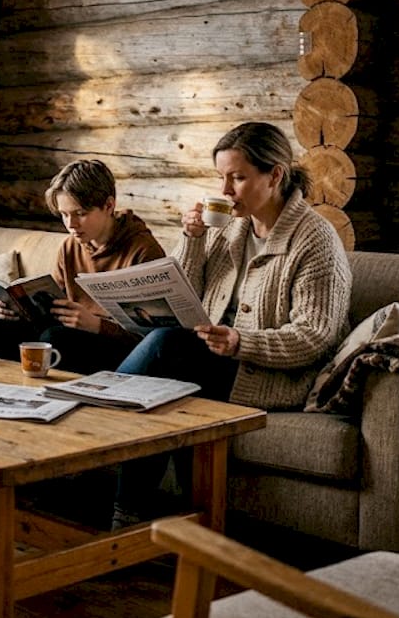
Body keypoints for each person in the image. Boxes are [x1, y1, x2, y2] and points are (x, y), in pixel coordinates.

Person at [110, 121, 352, 530]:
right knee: (169, 370)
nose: (224, 191)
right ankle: (148, 514)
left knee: (167, 347)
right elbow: (183, 294)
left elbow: (314, 336)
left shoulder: (315, 240)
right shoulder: (232, 227)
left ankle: (108, 428)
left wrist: (242, 342)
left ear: (275, 174)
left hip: (269, 372)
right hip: (211, 356)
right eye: (221, 178)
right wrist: (193, 240)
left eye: (237, 178)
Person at [0, 160, 165, 373]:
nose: (71, 225)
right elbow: (54, 307)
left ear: (109, 206)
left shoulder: (143, 249)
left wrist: (98, 326)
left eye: (80, 213)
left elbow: (152, 337)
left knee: (53, 339)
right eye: (64, 214)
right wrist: (19, 310)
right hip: (69, 333)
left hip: (120, 347)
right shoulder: (70, 246)